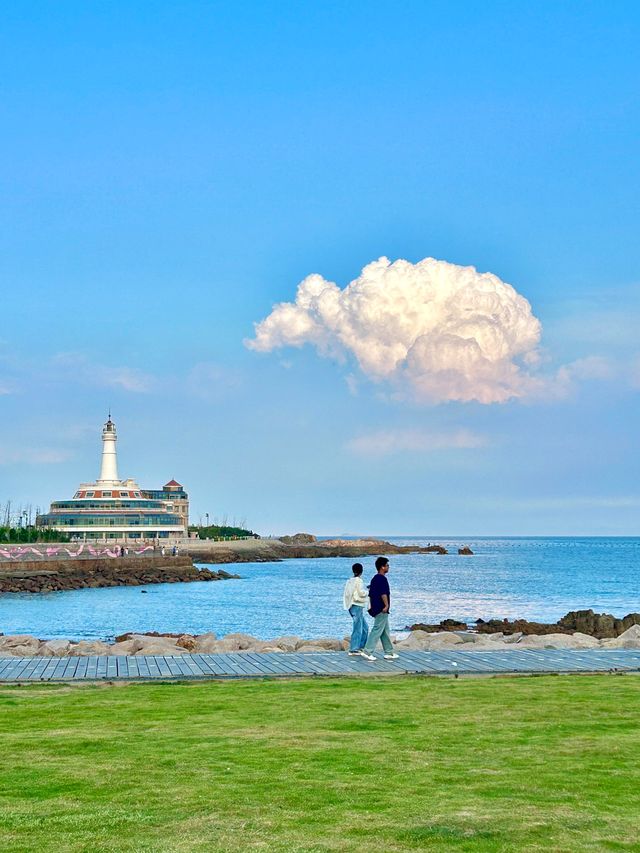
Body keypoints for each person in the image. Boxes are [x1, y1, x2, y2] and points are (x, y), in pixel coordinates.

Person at [360, 556, 399, 661]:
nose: (388, 567)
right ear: (382, 567)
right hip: (381, 608)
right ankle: (367, 651)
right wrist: (386, 605)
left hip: (376, 607)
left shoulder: (375, 578)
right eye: (387, 565)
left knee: (385, 630)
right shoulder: (382, 579)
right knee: (377, 629)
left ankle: (389, 652)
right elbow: (383, 593)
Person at [343, 563, 369, 655]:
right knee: (358, 628)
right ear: (361, 571)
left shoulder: (350, 581)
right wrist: (368, 591)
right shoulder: (359, 580)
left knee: (365, 628)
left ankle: (360, 647)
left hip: (351, 606)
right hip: (357, 605)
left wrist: (347, 606)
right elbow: (361, 593)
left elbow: (347, 594)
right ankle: (354, 649)